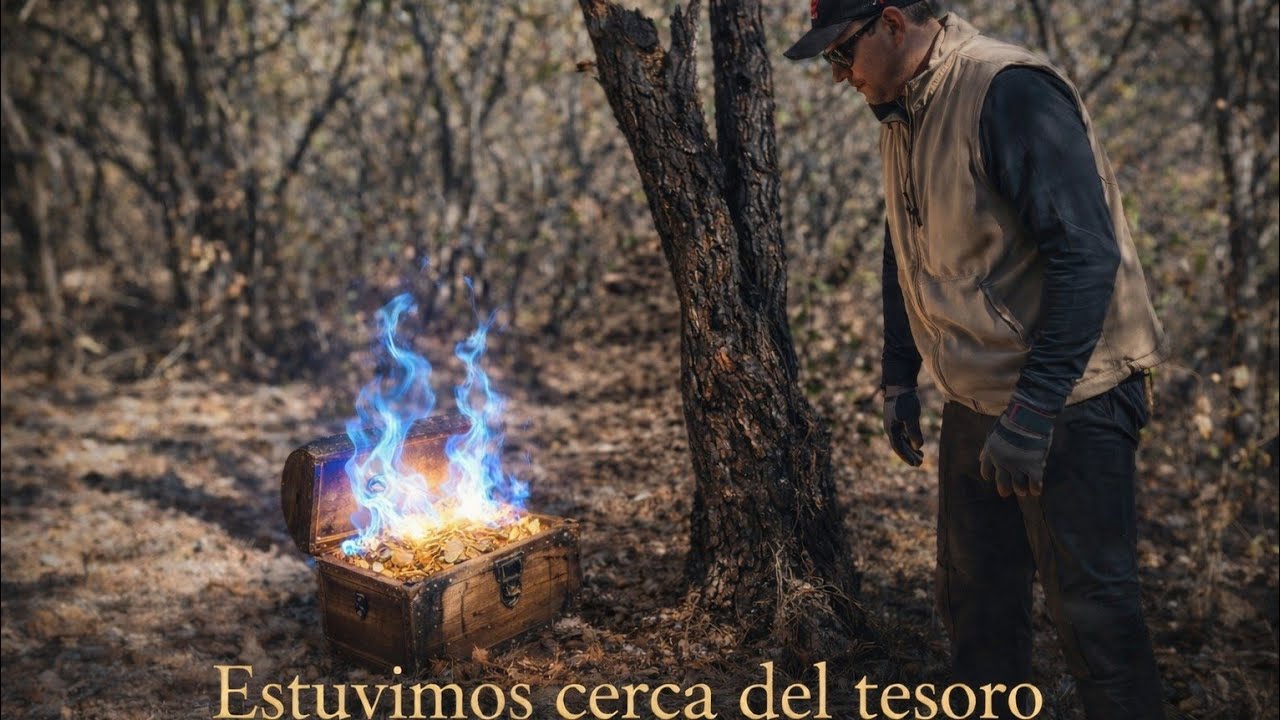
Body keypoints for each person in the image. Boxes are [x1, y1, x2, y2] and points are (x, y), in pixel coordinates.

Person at [784, 2, 1171, 718]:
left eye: (842, 53)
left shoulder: (1008, 91)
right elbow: (906, 246)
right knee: (976, 610)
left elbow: (1087, 258)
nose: (839, 76)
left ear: (893, 23)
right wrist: (899, 376)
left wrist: (1035, 411)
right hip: (978, 399)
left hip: (1071, 398)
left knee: (1095, 621)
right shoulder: (903, 105)